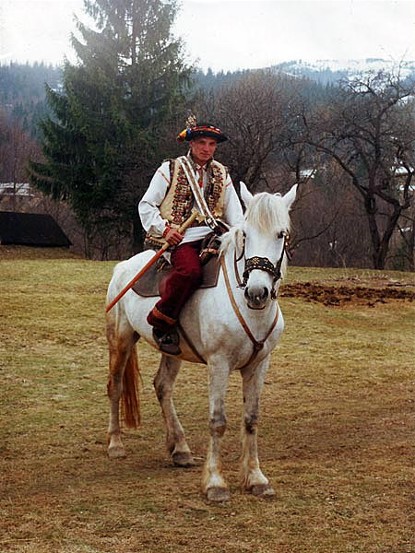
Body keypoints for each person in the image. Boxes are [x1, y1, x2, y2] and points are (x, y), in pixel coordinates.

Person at [138, 121, 244, 355]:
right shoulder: (171, 168)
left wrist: (240, 235)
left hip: (213, 234)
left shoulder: (221, 173)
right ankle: (162, 320)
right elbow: (146, 205)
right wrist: (165, 230)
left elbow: (235, 212)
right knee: (191, 272)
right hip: (180, 238)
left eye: (212, 144)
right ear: (192, 144)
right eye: (202, 143)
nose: (207, 149)